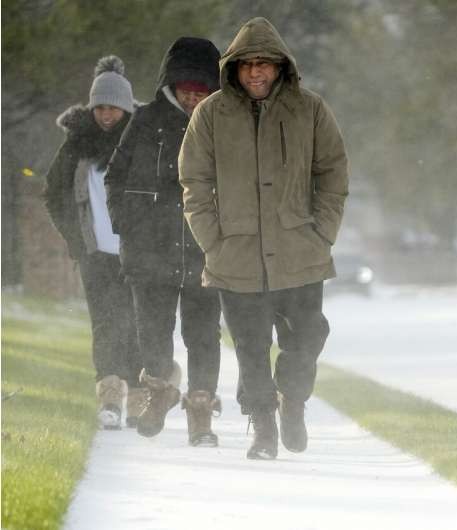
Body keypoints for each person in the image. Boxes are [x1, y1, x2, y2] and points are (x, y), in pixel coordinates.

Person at [179, 17, 349, 460]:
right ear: (233, 68)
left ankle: (292, 400)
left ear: (281, 67)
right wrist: (212, 240)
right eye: (247, 64)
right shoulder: (210, 114)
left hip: (300, 252)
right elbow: (193, 181)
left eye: (265, 64)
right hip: (234, 255)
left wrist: (322, 232)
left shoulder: (311, 110)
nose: (256, 72)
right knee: (251, 346)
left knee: (308, 336)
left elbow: (333, 174)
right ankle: (263, 426)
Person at [105, 37, 223, 447]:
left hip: (206, 252)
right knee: (152, 333)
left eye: (201, 89)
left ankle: (201, 412)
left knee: (203, 336)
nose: (193, 96)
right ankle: (159, 392)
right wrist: (126, 225)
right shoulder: (144, 120)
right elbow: (115, 176)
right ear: (171, 85)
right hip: (148, 251)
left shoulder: (224, 123)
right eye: (186, 88)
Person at [44, 56, 144, 430]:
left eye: (114, 108)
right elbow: (53, 194)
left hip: (137, 252)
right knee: (105, 323)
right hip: (95, 252)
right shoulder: (76, 145)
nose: (106, 115)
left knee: (136, 323)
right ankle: (109, 395)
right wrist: (75, 239)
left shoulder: (143, 143)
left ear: (126, 108)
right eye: (100, 107)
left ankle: (138, 395)